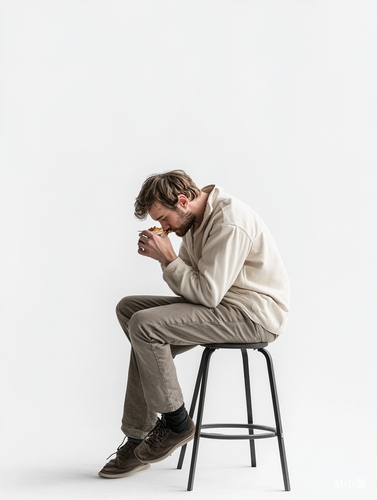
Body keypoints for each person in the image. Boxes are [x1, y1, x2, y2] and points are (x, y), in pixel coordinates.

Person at [98, 170, 290, 479]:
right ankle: (139, 436)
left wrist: (169, 260)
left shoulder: (229, 222)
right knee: (129, 310)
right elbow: (194, 290)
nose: (163, 227)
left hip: (253, 316)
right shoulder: (194, 222)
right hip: (222, 308)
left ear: (183, 201)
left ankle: (175, 423)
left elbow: (207, 294)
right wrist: (167, 259)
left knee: (144, 326)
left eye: (164, 218)